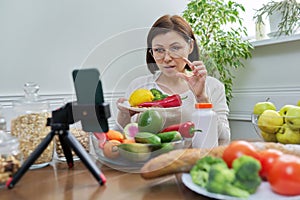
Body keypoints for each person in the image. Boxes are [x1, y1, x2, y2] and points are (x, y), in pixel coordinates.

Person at [116, 14, 230, 145]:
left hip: (195, 161)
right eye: (159, 50)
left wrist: (202, 98)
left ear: (190, 46)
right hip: (148, 161)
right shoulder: (138, 85)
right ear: (151, 53)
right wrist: (124, 114)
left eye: (175, 48)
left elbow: (224, 138)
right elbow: (119, 139)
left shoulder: (212, 86)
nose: (167, 58)